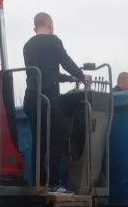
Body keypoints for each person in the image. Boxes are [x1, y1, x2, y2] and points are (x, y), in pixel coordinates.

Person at [22, 12, 86, 192]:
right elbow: (65, 61)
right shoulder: (53, 41)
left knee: (38, 142)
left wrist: (70, 78)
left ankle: (39, 181)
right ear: (50, 24)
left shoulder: (27, 46)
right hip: (48, 100)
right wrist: (81, 76)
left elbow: (50, 73)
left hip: (32, 100)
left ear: (35, 27)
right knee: (59, 137)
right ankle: (55, 182)